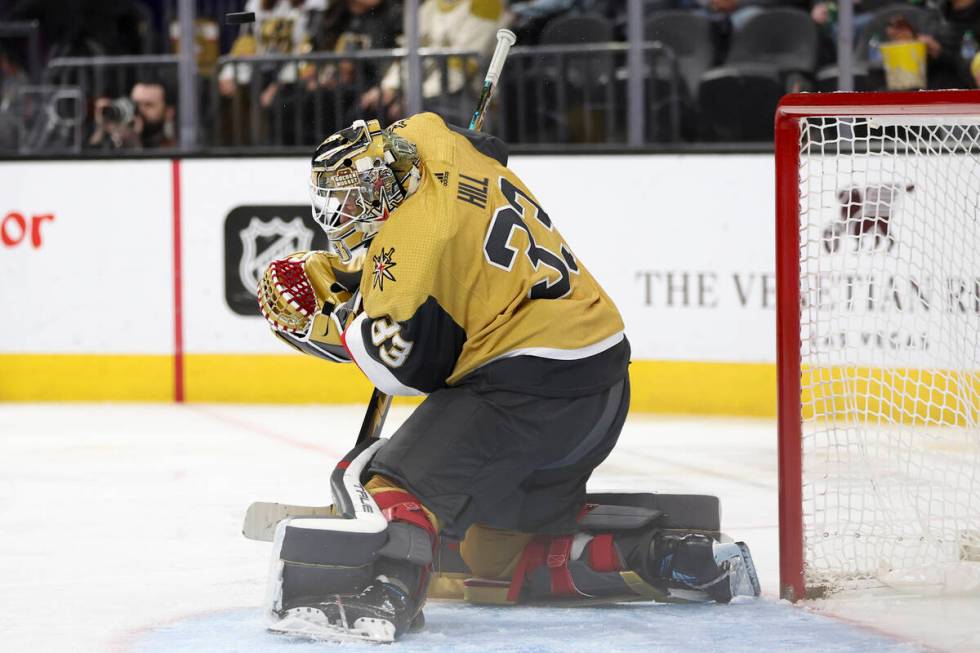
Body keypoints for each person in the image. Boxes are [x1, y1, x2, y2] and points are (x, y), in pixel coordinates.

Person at [256, 114, 759, 642]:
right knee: (490, 557)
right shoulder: (432, 138)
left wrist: (324, 329)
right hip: (603, 382)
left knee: (394, 484)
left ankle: (386, 595)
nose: (343, 210)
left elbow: (410, 370)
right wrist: (350, 285)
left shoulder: (408, 250)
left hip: (526, 387)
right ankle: (673, 558)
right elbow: (484, 144)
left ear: (384, 189)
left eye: (354, 197)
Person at [87, 78, 176, 150]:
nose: (139, 110)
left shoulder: (175, 147)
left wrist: (134, 143)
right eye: (135, 104)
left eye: (148, 105)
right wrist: (101, 131)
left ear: (168, 112)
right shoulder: (117, 136)